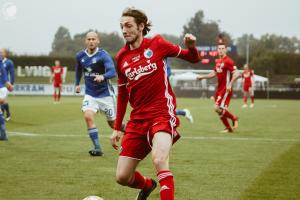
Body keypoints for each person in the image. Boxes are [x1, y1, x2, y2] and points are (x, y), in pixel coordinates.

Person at [110, 8, 200, 200]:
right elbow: (123, 94)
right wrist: (117, 128)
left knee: (159, 159)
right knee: (122, 176)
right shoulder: (121, 58)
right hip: (138, 120)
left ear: (141, 26)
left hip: (162, 114)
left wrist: (191, 46)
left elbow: (193, 58)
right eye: (121, 27)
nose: (124, 30)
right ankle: (148, 185)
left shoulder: (158, 44)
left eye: (128, 26)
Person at [75, 31, 123, 156]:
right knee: (88, 116)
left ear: (98, 41)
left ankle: (133, 133)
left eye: (93, 39)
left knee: (113, 124)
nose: (91, 41)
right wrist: (77, 83)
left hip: (106, 95)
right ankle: (97, 148)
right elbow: (78, 69)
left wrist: (103, 76)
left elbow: (113, 72)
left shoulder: (103, 55)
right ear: (86, 41)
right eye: (89, 39)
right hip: (90, 94)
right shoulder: (80, 56)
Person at [197, 34, 239, 133]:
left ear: (225, 50)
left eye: (222, 48)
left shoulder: (228, 61)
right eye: (219, 48)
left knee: (217, 108)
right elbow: (214, 73)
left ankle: (234, 118)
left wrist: (230, 84)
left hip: (225, 89)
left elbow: (237, 73)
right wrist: (202, 77)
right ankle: (228, 128)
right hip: (219, 89)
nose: (220, 50)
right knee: (218, 110)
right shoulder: (219, 61)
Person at [166, 58, 193, 123]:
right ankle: (184, 112)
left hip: (163, 88)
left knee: (164, 112)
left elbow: (168, 72)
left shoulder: (163, 57)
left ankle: (183, 112)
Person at [0, 52, 14, 140]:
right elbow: (6, 80)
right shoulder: (1, 65)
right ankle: (3, 135)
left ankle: (3, 134)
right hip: (2, 89)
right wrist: (10, 85)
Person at [0, 48, 15, 121]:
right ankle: (7, 113)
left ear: (5, 53)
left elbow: (12, 74)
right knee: (2, 101)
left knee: (2, 100)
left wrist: (11, 84)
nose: (0, 53)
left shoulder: (9, 62)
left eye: (1, 52)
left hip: (5, 84)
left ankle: (3, 114)